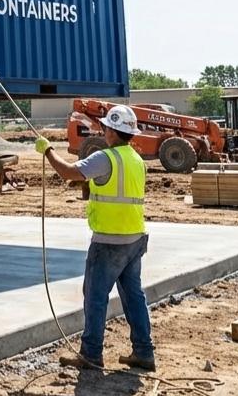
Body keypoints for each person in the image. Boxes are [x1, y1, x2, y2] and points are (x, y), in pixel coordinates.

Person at [35, 105, 156, 372]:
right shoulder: (136, 159)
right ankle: (144, 352)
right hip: (134, 238)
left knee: (95, 297)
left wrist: (47, 151)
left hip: (108, 242)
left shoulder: (106, 158)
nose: (103, 131)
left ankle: (91, 354)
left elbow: (67, 172)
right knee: (134, 295)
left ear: (112, 130)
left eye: (105, 128)